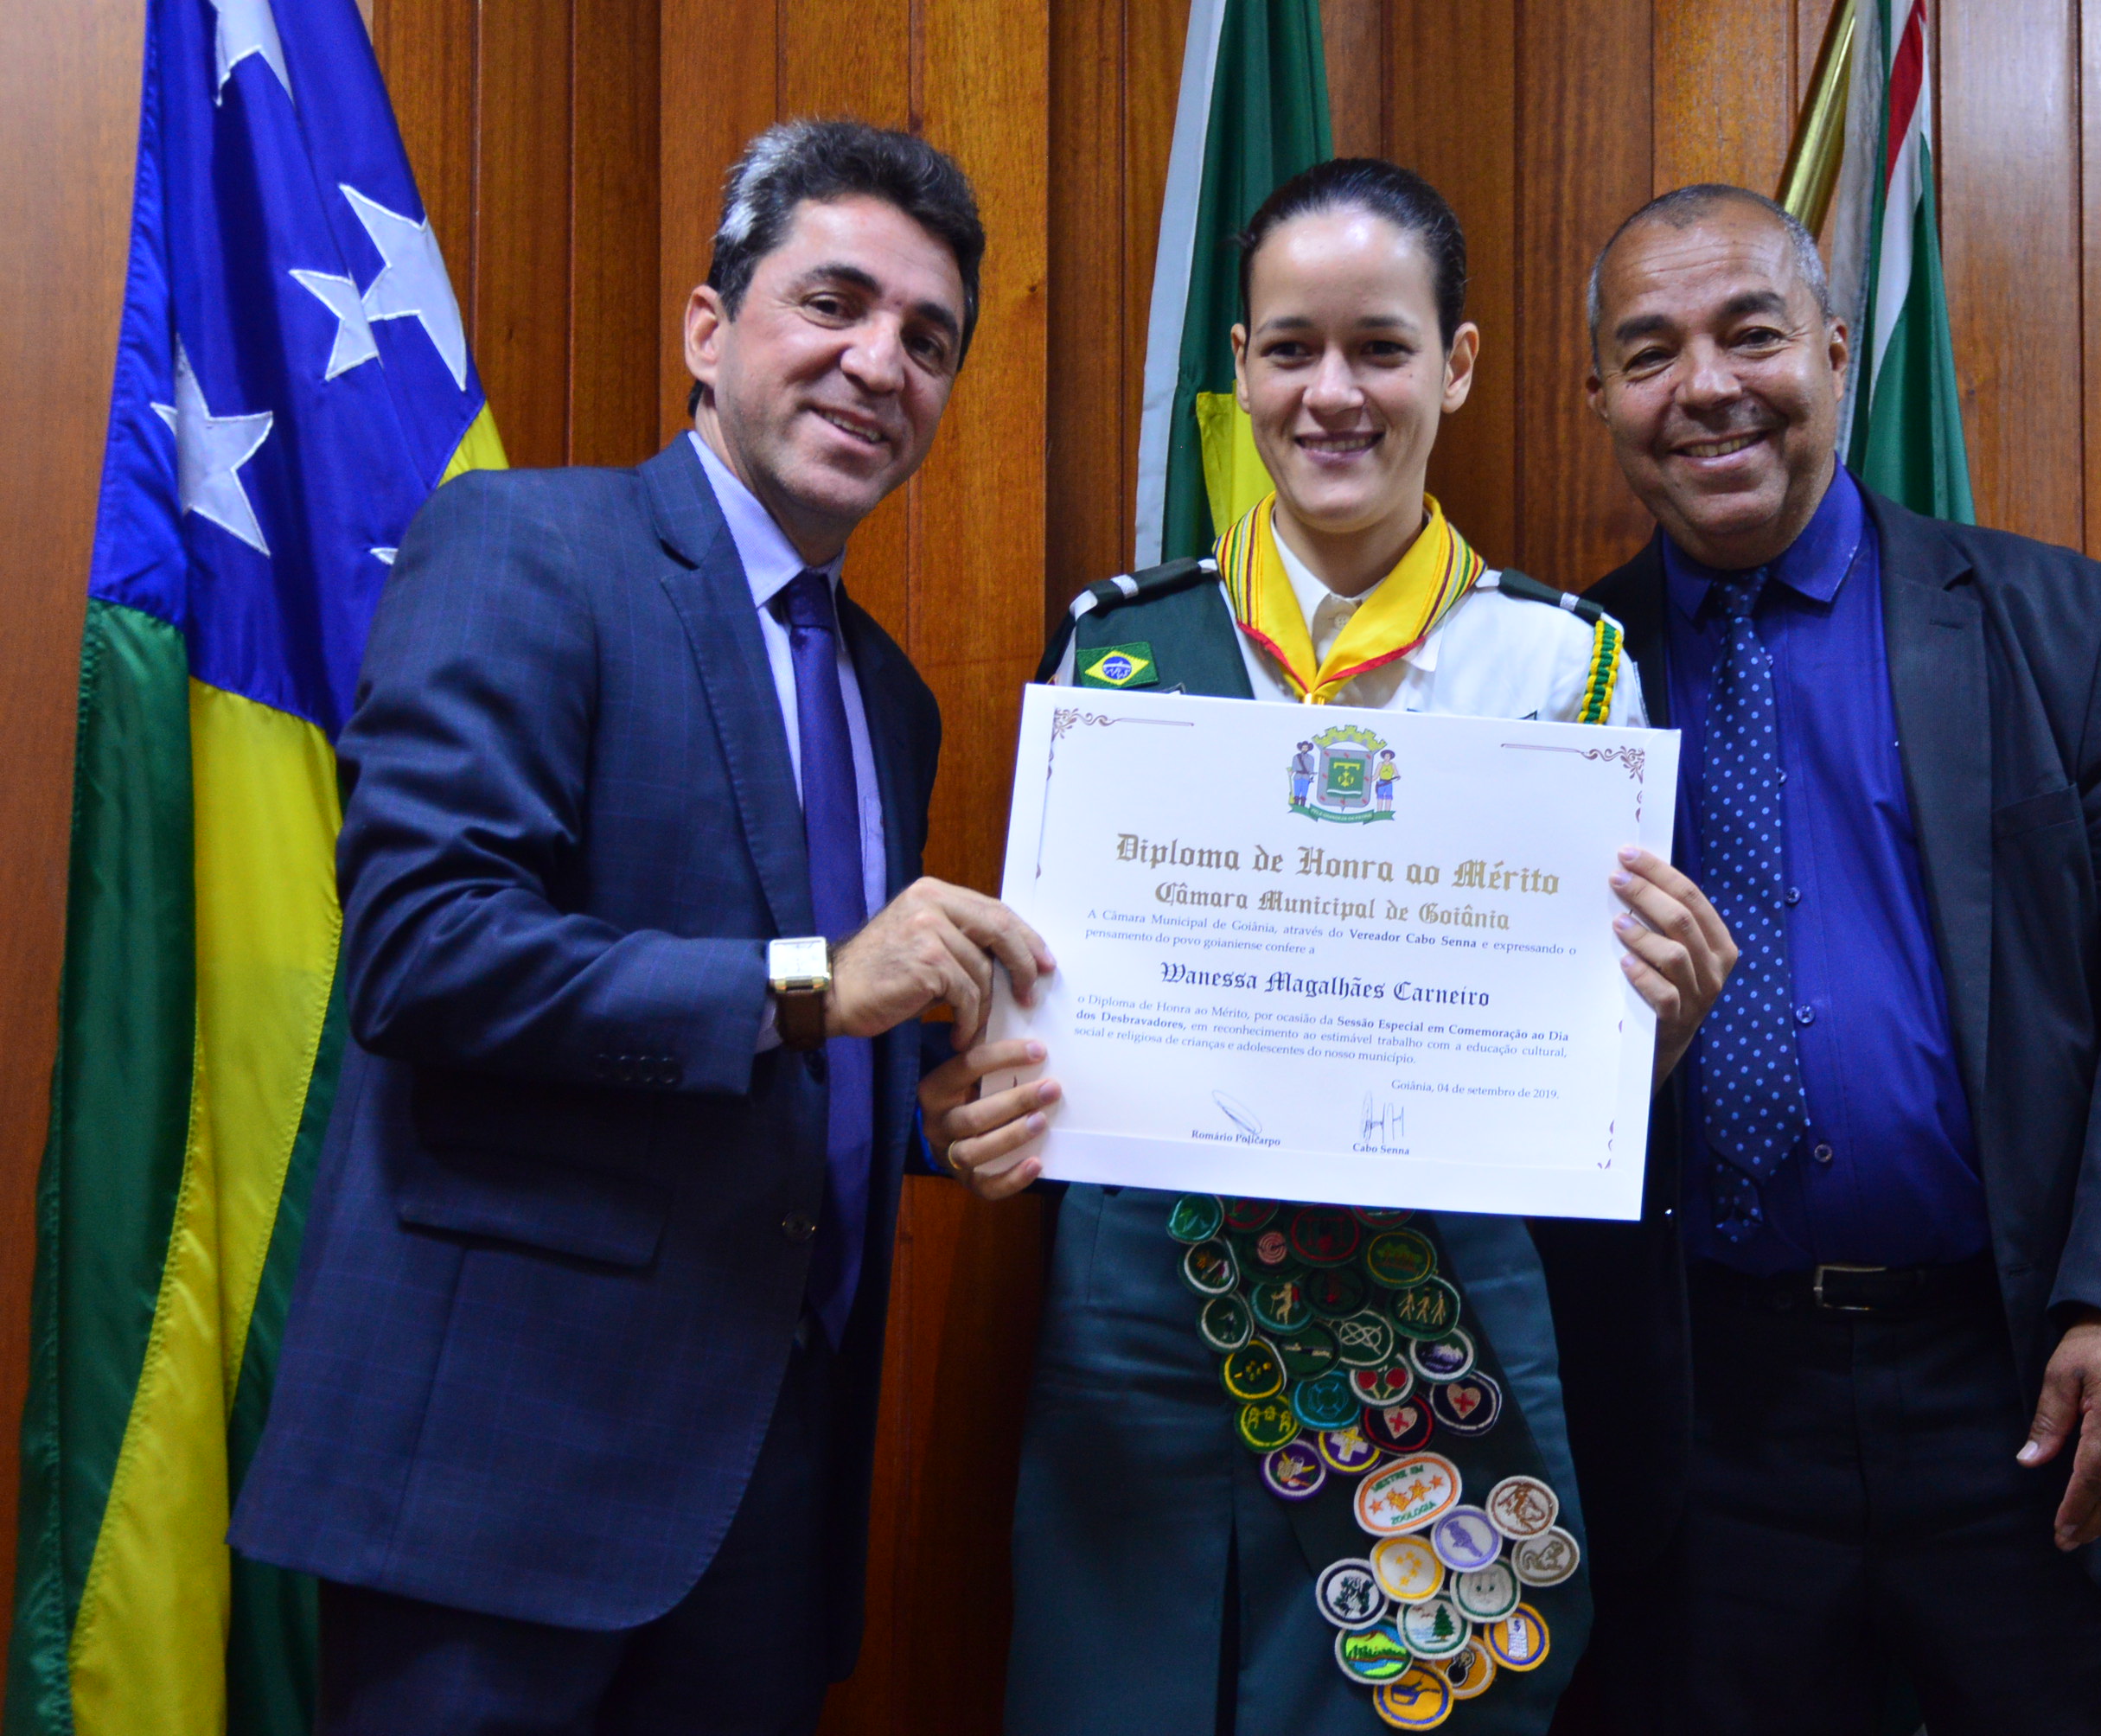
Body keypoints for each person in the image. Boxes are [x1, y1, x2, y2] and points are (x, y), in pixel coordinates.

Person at [229, 120, 1056, 1733]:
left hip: (769, 1494)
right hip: (498, 1488)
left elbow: (802, 1042)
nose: (879, 364)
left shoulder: (890, 697)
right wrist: (823, 986)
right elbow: (426, 950)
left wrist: (931, 1118)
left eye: (928, 340)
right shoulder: (527, 545)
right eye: (833, 303)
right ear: (707, 329)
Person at [922, 159, 1734, 1735]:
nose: (1333, 394)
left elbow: (1588, 1077)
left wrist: (1666, 1031)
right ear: (1241, 369)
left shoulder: (1567, 673)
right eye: (1291, 348)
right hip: (1151, 1308)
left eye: (1381, 347)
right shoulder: (1120, 651)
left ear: (1459, 364)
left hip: (1434, 1328)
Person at [1533, 185, 2101, 1734]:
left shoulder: (2062, 627)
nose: (1706, 386)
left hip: (2020, 1389)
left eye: (1751, 332)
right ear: (1597, 396)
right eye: (1649, 353)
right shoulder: (1547, 679)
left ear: (1835, 350)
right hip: (1702, 1423)